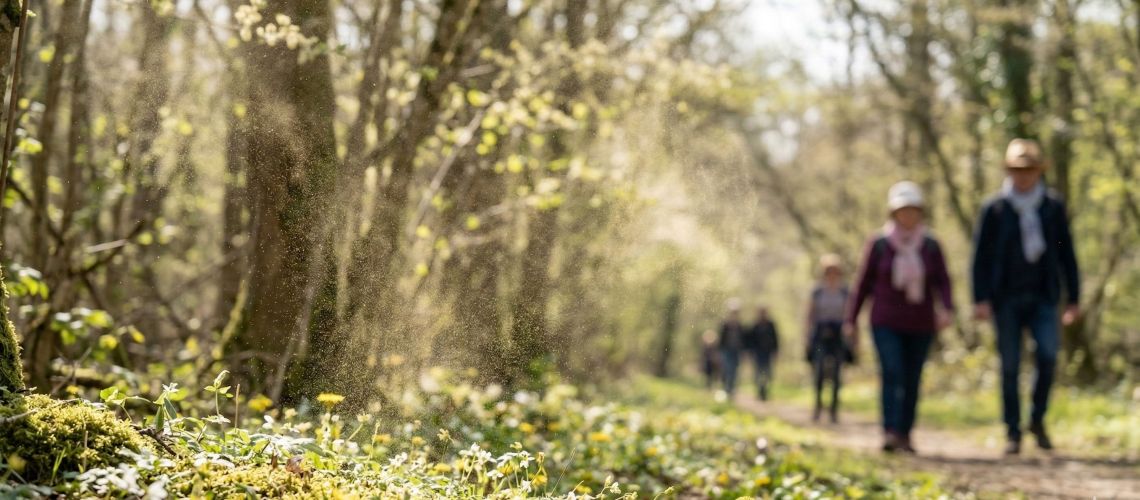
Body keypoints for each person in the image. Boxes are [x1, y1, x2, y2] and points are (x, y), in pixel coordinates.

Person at [972, 138, 1080, 455]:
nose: (1023, 175)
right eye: (1018, 170)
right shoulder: (995, 209)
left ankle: (1037, 419)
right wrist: (980, 298)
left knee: (1047, 356)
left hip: (1043, 297)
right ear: (1009, 171)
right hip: (1005, 298)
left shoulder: (1052, 207)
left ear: (1038, 171)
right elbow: (980, 258)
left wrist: (1073, 299)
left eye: (1029, 169)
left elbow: (1066, 254)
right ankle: (1012, 430)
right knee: (1010, 365)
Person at [845, 181, 954, 454]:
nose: (908, 215)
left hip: (921, 322)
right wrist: (851, 319)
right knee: (892, 371)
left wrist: (947, 308)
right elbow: (863, 283)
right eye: (903, 210)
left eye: (913, 210)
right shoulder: (879, 244)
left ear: (920, 212)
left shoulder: (930, 245)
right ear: (893, 213)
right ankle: (890, 431)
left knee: (912, 377)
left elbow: (943, 280)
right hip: (885, 321)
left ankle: (906, 432)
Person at [804, 254, 849, 423]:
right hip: (820, 334)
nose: (832, 274)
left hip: (838, 334)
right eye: (829, 271)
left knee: (837, 372)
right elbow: (810, 315)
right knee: (819, 370)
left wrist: (853, 338)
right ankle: (818, 406)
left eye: (835, 271)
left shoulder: (845, 291)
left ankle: (834, 410)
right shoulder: (817, 291)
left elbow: (850, 315)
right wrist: (807, 337)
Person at [746, 306, 779, 401]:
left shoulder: (771, 325)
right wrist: (749, 352)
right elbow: (750, 340)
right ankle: (759, 390)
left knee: (767, 372)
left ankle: (765, 391)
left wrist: (776, 351)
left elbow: (775, 338)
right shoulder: (755, 325)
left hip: (768, 353)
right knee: (758, 372)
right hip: (757, 353)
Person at [718, 298, 746, 397]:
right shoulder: (725, 325)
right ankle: (726, 388)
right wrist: (719, 351)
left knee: (734, 370)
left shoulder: (740, 326)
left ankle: (731, 389)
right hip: (726, 350)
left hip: (736, 351)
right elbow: (721, 339)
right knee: (727, 369)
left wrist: (744, 351)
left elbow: (744, 340)